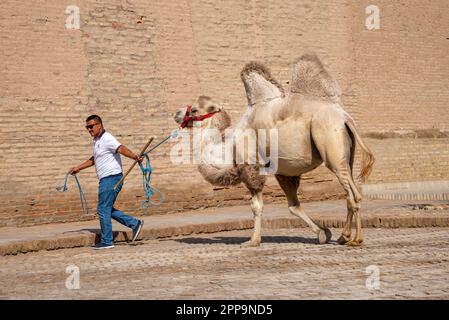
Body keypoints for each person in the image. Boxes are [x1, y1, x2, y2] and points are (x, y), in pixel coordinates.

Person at [69, 115, 144, 249]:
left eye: (91, 126)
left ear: (99, 125)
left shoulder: (107, 138)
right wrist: (78, 168)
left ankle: (107, 241)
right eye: (87, 127)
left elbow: (121, 148)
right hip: (106, 179)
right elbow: (94, 159)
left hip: (112, 178)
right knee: (106, 208)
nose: (89, 129)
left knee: (103, 209)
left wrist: (135, 157)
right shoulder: (97, 141)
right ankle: (134, 223)